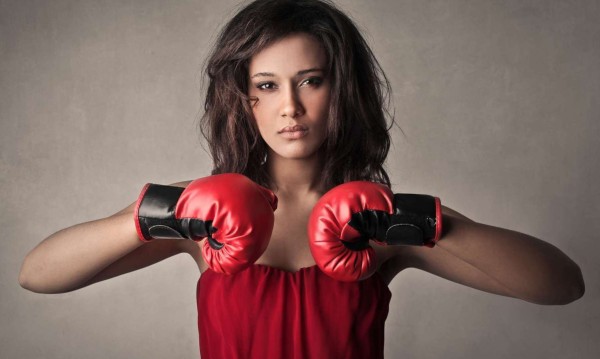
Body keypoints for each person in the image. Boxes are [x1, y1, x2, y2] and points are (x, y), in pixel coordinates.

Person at [18, 0, 585, 358]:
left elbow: (562, 286)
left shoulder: (378, 222)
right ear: (245, 99)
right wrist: (154, 213)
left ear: (342, 89)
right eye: (267, 85)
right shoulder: (205, 219)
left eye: (310, 81)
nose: (290, 106)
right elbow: (37, 275)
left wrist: (424, 221)